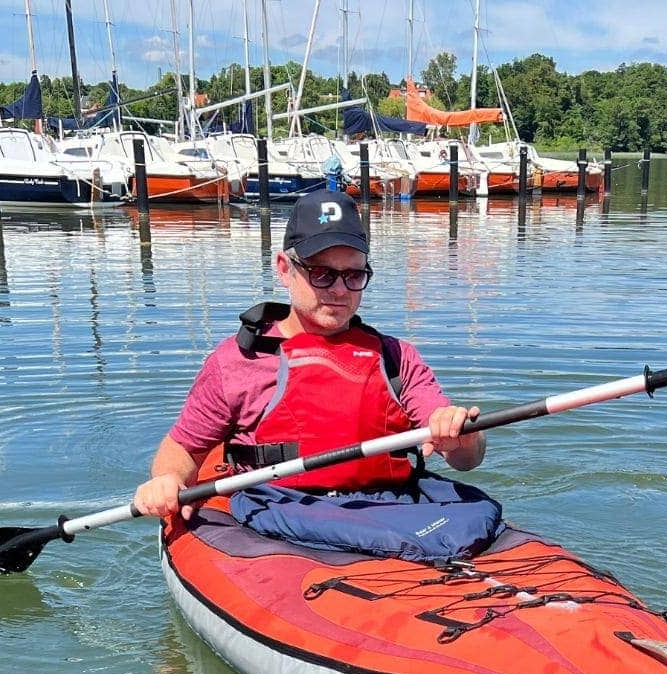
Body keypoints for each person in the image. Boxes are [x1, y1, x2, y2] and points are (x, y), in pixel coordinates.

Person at [132, 192, 486, 530]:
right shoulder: (236, 361)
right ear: (285, 269)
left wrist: (461, 436)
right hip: (277, 512)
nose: (339, 290)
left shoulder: (396, 358)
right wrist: (167, 480)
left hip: (388, 511)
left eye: (354, 275)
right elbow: (183, 448)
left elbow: (467, 460)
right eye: (322, 274)